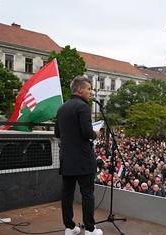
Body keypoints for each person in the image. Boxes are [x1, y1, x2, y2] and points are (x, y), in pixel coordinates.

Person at [55, 76, 103, 235]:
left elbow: (57, 133)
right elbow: (87, 132)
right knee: (87, 194)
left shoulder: (61, 108)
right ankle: (90, 229)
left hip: (67, 158)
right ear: (80, 89)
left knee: (67, 194)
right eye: (89, 89)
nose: (91, 92)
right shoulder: (83, 107)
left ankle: (69, 227)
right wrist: (96, 133)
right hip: (83, 159)